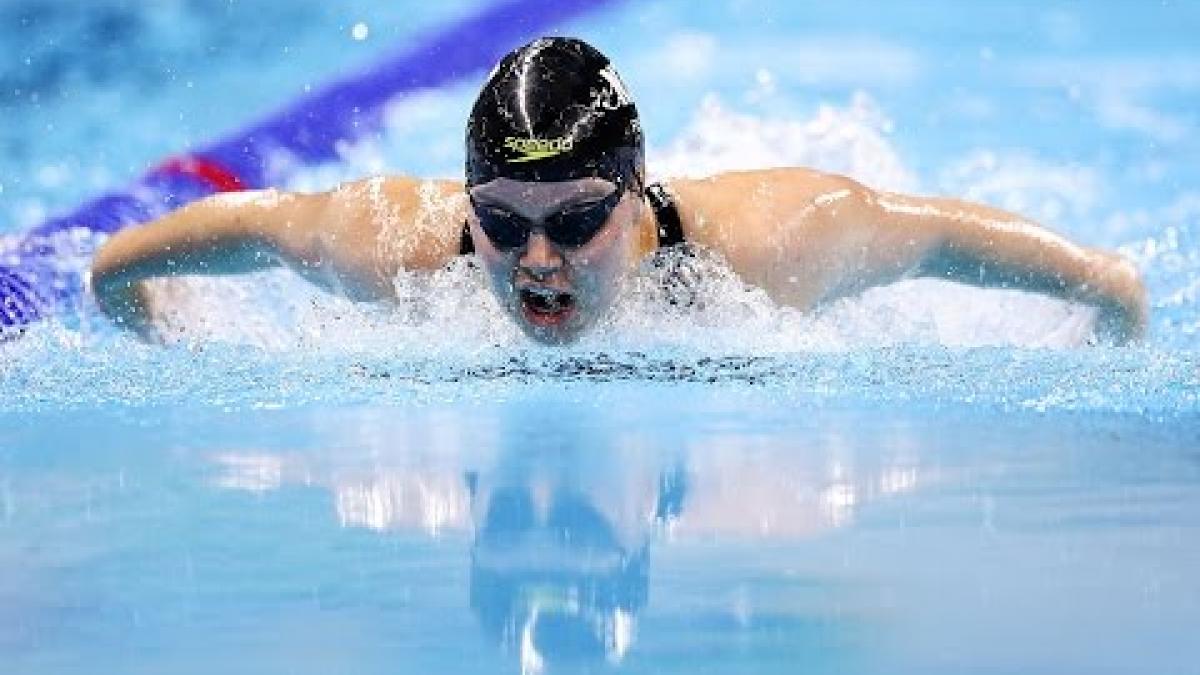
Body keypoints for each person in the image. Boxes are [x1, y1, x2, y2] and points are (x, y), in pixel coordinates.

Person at [91, 37, 1148, 345]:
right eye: (501, 223)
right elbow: (117, 266)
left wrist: (1108, 294)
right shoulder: (400, 245)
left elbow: (938, 242)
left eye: (578, 220)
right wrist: (165, 336)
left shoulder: (772, 245)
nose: (536, 262)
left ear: (637, 196)